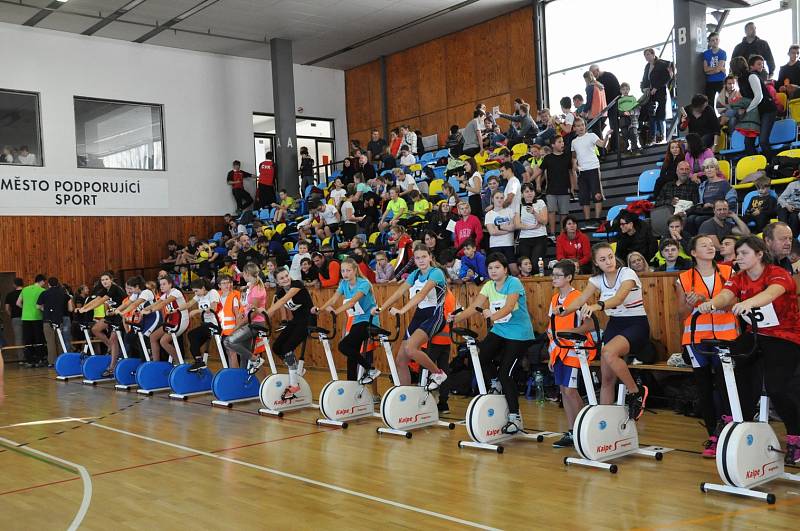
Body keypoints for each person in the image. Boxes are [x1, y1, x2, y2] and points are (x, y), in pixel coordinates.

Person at [698, 236, 800, 464]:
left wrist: (750, 302)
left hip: (785, 337)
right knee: (728, 370)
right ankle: (732, 422)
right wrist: (713, 303)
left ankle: (796, 436)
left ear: (759, 254)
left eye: (744, 253)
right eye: (737, 253)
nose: (738, 257)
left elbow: (772, 293)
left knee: (778, 387)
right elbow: (726, 294)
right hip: (756, 335)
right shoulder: (739, 278)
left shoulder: (776, 273)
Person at [559, 243, 650, 420]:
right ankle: (605, 423)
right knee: (606, 380)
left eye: (610, 256)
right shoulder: (596, 280)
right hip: (614, 325)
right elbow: (580, 300)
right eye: (603, 259)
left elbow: (619, 298)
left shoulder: (627, 273)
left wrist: (597, 305)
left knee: (608, 351)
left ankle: (636, 392)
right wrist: (563, 310)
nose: (608, 261)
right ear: (596, 262)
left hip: (636, 324)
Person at [451, 252, 536, 434]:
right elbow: (475, 306)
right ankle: (495, 382)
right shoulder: (489, 285)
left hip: (519, 334)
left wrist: (492, 316)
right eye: (490, 268)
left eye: (497, 267)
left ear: (505, 270)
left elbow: (508, 307)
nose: (493, 271)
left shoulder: (514, 283)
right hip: (500, 330)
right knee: (480, 359)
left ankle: (515, 417)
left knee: (506, 373)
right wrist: (456, 317)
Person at [675, 235, 738, 457]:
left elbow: (735, 304)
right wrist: (691, 304)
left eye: (712, 245)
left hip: (726, 338)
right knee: (703, 386)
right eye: (704, 245)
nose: (710, 247)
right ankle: (713, 434)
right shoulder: (683, 278)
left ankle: (730, 428)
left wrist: (708, 300)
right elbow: (681, 314)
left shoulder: (729, 272)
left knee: (725, 384)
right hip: (696, 340)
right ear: (693, 252)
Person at [375, 243, 449, 388]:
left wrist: (402, 310)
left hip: (434, 316)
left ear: (430, 258)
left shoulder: (436, 273)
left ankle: (438, 373)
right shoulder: (414, 275)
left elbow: (422, 294)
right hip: (419, 316)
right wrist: (381, 308)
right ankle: (406, 395)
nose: (421, 260)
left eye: (424, 257)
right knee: (401, 360)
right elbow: (398, 292)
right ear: (414, 260)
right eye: (417, 258)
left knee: (410, 348)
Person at [547, 260, 596, 448]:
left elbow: (590, 325)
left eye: (558, 275)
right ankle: (572, 431)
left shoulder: (578, 297)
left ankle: (586, 427)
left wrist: (573, 332)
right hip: (560, 350)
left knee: (570, 390)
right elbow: (551, 327)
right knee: (563, 391)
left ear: (569, 277)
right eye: (553, 275)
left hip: (576, 350)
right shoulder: (553, 299)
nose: (554, 278)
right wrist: (552, 351)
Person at [315, 258, 381, 383]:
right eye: (343, 271)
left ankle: (370, 369)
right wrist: (320, 309)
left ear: (355, 270)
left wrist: (336, 312)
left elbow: (352, 301)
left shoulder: (364, 283)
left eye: (348, 270)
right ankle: (351, 384)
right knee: (352, 353)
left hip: (370, 321)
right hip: (357, 322)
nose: (345, 273)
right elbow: (334, 299)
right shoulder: (343, 284)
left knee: (343, 346)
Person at [223, 263, 268, 373]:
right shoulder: (252, 285)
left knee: (228, 341)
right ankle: (243, 379)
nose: (242, 275)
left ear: (247, 273)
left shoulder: (257, 289)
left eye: (244, 273)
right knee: (244, 354)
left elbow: (253, 313)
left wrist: (238, 326)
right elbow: (249, 305)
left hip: (256, 323)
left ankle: (256, 360)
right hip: (250, 322)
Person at [109, 276, 161, 370]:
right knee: (130, 338)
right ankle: (144, 357)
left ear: (137, 286)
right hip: (145, 318)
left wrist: (123, 312)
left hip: (153, 317)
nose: (130, 290)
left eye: (131, 288)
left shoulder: (146, 292)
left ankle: (149, 360)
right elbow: (127, 303)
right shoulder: (135, 294)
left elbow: (135, 304)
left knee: (144, 338)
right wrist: (116, 310)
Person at [732, 55, 777, 162]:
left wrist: (746, 110)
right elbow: (747, 98)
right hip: (756, 112)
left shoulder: (751, 76)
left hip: (767, 110)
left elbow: (759, 96)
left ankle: (773, 164)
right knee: (748, 143)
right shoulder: (740, 80)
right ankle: (758, 164)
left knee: (763, 141)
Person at [77, 272, 126, 364]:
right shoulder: (105, 289)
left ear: (111, 280)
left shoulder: (114, 288)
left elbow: (102, 301)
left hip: (120, 315)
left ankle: (113, 363)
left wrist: (87, 309)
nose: (104, 281)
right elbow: (96, 299)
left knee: (113, 339)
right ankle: (112, 348)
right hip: (111, 315)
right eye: (102, 280)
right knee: (95, 329)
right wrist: (83, 308)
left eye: (106, 279)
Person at [141, 275, 189, 363]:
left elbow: (164, 303)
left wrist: (150, 311)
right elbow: (155, 304)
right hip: (172, 322)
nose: (161, 286)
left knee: (163, 341)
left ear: (170, 284)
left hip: (181, 321)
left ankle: (180, 362)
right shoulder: (165, 295)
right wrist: (143, 310)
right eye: (160, 285)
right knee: (153, 337)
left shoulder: (176, 292)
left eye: (164, 284)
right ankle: (156, 364)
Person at [533, 135, 573, 234]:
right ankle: (552, 234)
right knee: (551, 212)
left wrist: (572, 187)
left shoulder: (567, 157)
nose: (562, 143)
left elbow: (571, 173)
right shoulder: (547, 158)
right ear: (553, 145)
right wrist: (529, 179)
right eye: (559, 142)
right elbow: (539, 171)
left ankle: (563, 234)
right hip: (551, 190)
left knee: (564, 213)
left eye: (562, 141)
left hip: (564, 189)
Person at [687, 158, 736, 234]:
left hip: (718, 213)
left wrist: (714, 206)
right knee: (690, 219)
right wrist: (703, 205)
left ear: (716, 170)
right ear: (704, 171)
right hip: (705, 211)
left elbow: (732, 203)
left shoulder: (724, 184)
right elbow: (699, 203)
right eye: (706, 168)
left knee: (699, 220)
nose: (709, 170)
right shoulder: (702, 186)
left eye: (711, 167)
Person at [570, 117, 605, 221]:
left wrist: (607, 136)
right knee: (584, 197)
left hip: (593, 168)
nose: (581, 127)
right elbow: (574, 157)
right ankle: (587, 221)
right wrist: (574, 165)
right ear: (574, 128)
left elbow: (602, 144)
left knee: (597, 195)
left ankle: (597, 220)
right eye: (578, 126)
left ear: (585, 126)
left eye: (582, 125)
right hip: (582, 171)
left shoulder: (591, 136)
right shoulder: (574, 142)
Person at [37, 277, 73, 368]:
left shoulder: (44, 293)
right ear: (57, 284)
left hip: (48, 319)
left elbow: (38, 306)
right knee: (59, 341)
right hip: (59, 319)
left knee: (50, 342)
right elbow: (70, 308)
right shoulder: (63, 294)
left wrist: (45, 310)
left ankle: (52, 362)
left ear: (48, 284)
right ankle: (61, 360)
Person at [641, 48, 672, 144]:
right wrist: (643, 88)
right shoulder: (647, 66)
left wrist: (656, 87)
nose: (647, 57)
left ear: (653, 54)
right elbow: (644, 79)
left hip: (660, 92)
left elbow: (666, 77)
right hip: (650, 93)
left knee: (660, 114)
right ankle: (653, 137)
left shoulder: (661, 64)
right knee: (651, 115)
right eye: (645, 55)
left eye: (648, 54)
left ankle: (661, 135)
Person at [515, 183, 548, 273]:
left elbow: (544, 221)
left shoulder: (540, 202)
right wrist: (531, 227)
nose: (529, 193)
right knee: (525, 266)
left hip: (540, 237)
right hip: (524, 239)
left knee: (536, 264)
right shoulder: (519, 205)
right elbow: (517, 224)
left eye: (531, 191)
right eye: (526, 191)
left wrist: (534, 212)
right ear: (522, 194)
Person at [484, 190, 518, 275]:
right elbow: (492, 232)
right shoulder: (489, 214)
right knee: (499, 272)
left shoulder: (509, 211)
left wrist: (499, 227)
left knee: (514, 270)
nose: (499, 200)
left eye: (502, 198)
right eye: (497, 198)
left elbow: (513, 227)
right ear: (492, 199)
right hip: (495, 245)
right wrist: (507, 230)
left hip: (508, 244)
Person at [17, 274, 47, 367]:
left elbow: (18, 303)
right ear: (41, 281)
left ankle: (29, 360)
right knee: (39, 339)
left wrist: (25, 309)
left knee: (28, 339)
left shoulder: (25, 289)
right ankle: (40, 359)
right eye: (44, 282)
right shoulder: (42, 290)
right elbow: (43, 306)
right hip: (37, 317)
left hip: (25, 318)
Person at [703, 32, 728, 107]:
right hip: (710, 82)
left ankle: (724, 118)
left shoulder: (722, 53)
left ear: (719, 40)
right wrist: (718, 69)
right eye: (713, 40)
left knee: (723, 103)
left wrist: (710, 71)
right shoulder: (706, 53)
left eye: (717, 39)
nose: (715, 42)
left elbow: (717, 69)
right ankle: (712, 118)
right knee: (709, 104)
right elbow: (705, 69)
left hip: (721, 81)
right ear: (709, 42)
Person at [4, 277, 23, 346]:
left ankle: (20, 356)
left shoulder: (9, 295)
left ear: (15, 285)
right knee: (28, 337)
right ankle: (29, 355)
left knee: (18, 338)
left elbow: (6, 309)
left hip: (15, 318)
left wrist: (11, 315)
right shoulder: (26, 292)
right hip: (27, 317)